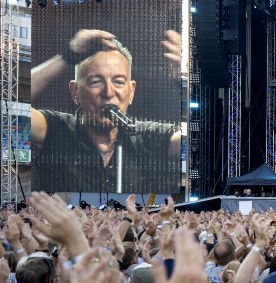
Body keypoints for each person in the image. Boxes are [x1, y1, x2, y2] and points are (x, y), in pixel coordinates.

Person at [30, 29, 181, 193]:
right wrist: (66, 56)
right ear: (75, 92)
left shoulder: (150, 136)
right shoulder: (56, 128)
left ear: (131, 92)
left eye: (119, 82)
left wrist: (185, 83)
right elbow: (11, 102)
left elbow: (202, 144)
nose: (109, 92)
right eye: (96, 81)